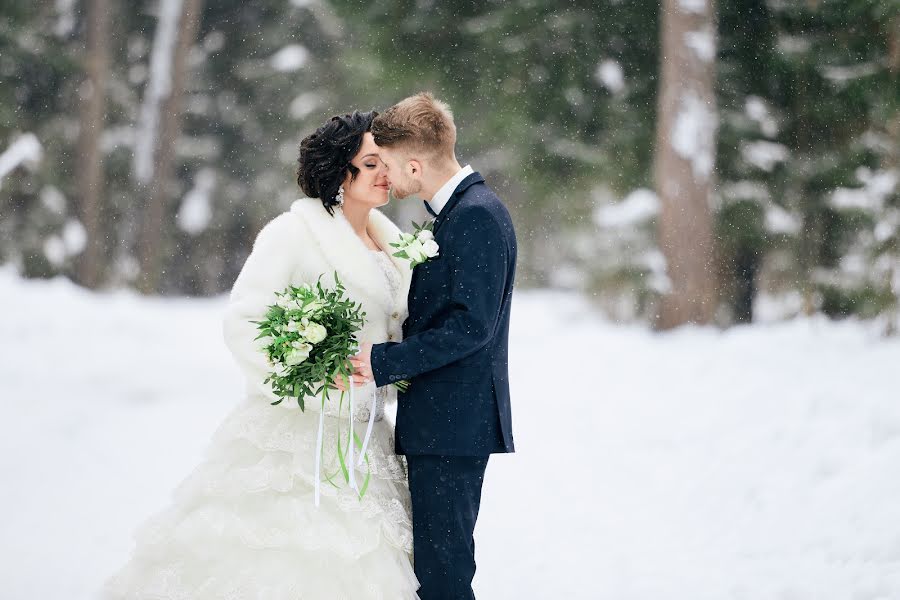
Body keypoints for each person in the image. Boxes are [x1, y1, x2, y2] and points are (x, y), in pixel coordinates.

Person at [103, 111, 421, 599]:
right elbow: (245, 322)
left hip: (368, 434)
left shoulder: (395, 245)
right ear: (340, 172)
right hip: (294, 436)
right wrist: (309, 371)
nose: (386, 172)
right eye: (371, 162)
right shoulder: (290, 235)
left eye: (388, 161)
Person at [350, 92, 518, 600]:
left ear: (416, 164)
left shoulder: (476, 216)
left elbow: (471, 327)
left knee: (443, 576)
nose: (387, 178)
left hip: (454, 427)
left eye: (390, 165)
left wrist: (383, 362)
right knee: (436, 569)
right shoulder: (461, 213)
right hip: (444, 424)